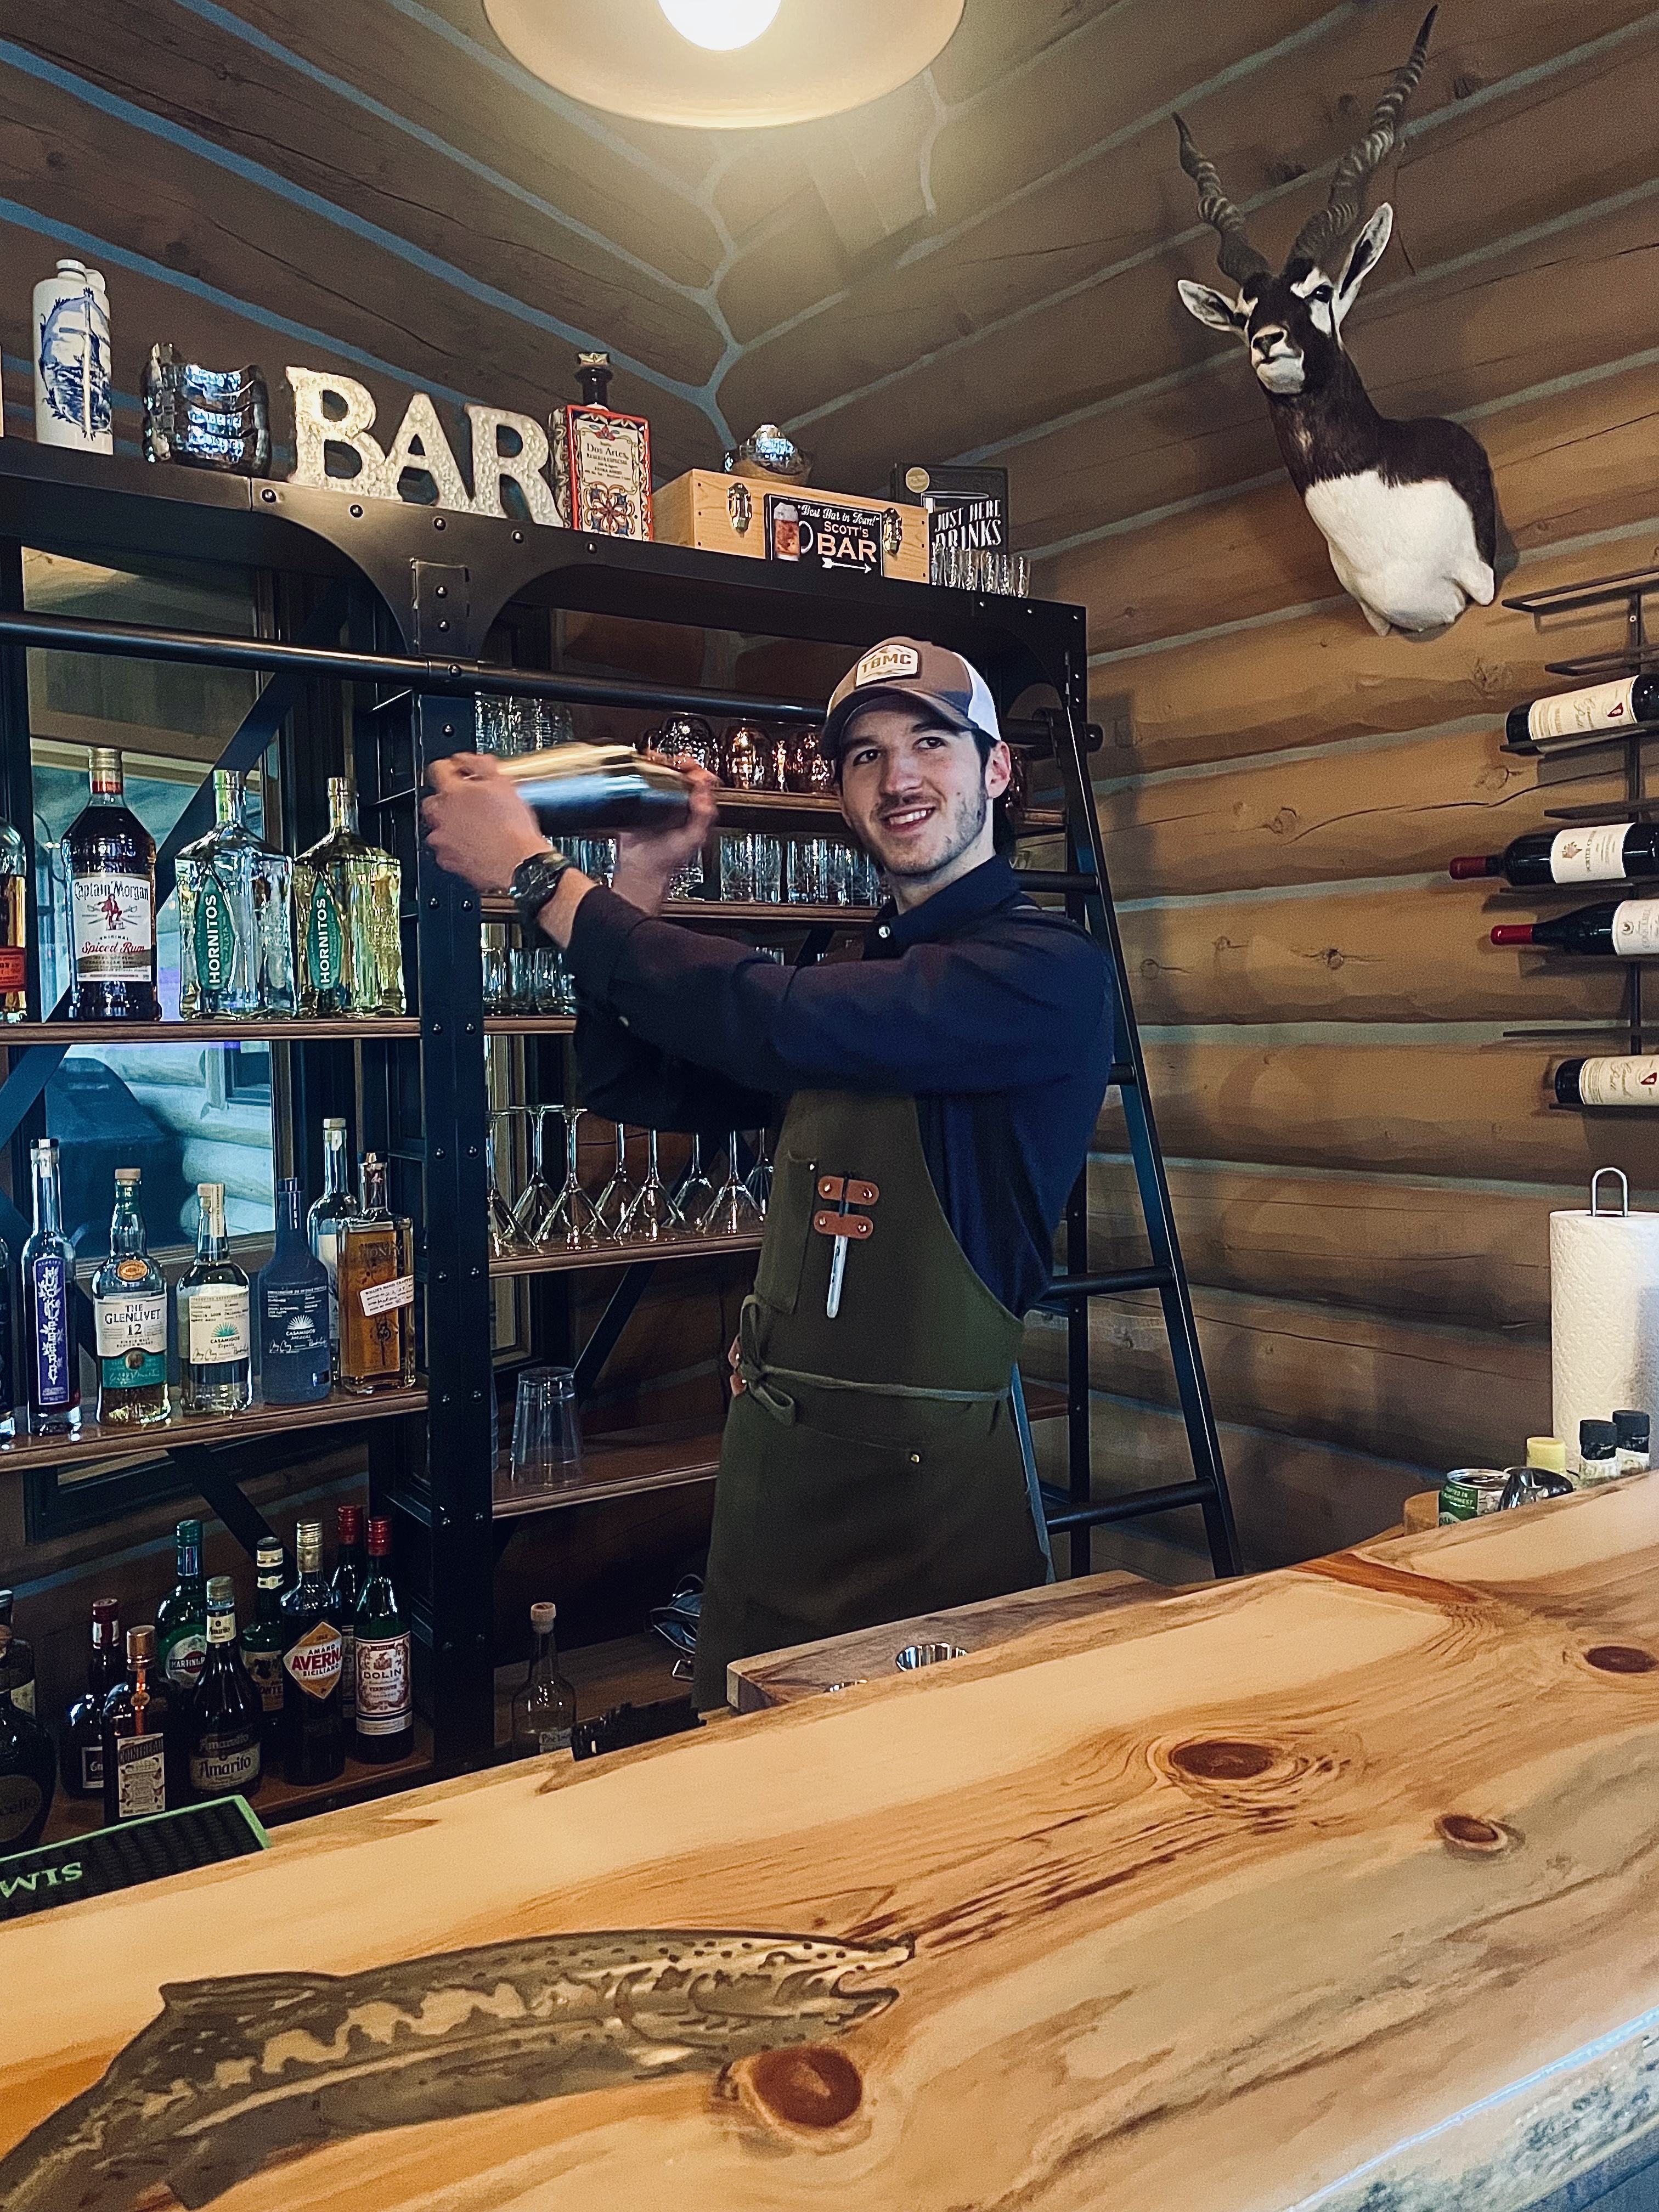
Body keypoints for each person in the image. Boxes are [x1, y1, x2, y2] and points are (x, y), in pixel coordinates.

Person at [422, 636, 1114, 1708]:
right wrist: (641, 883)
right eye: (867, 758)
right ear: (842, 793)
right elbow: (642, 1086)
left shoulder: (1043, 973)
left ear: (997, 771)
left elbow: (770, 1021)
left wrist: (539, 878)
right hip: (777, 1479)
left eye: (932, 743)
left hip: (923, 1497)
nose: (901, 779)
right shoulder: (853, 966)